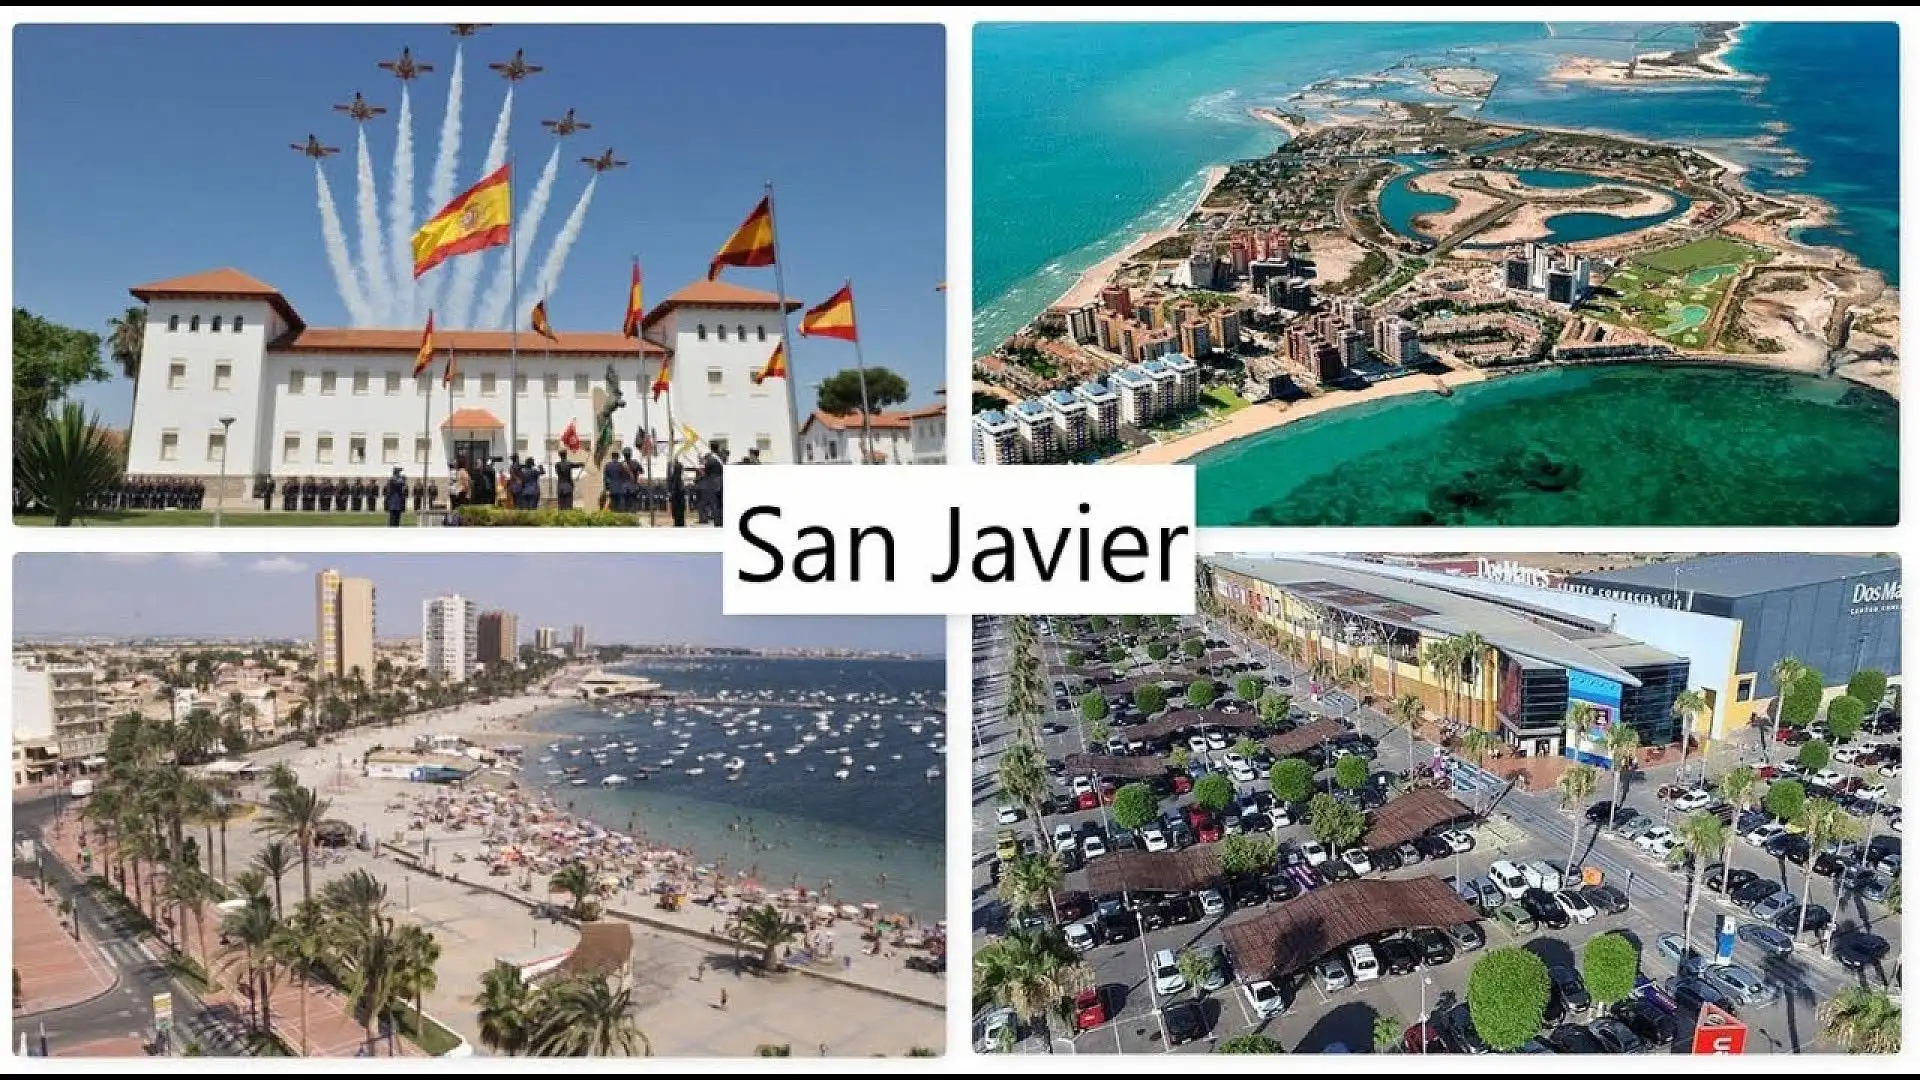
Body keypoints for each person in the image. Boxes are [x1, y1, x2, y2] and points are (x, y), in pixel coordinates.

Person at [699, 440, 726, 525]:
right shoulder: (722, 457)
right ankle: (722, 522)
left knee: (715, 505)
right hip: (722, 482)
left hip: (713, 484)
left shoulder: (710, 459)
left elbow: (706, 472)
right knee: (722, 505)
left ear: (710, 447)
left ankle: (718, 523)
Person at [666, 455, 688, 527]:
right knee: (680, 518)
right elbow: (680, 490)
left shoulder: (672, 478)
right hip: (679, 501)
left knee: (677, 518)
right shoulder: (678, 480)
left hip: (675, 501)